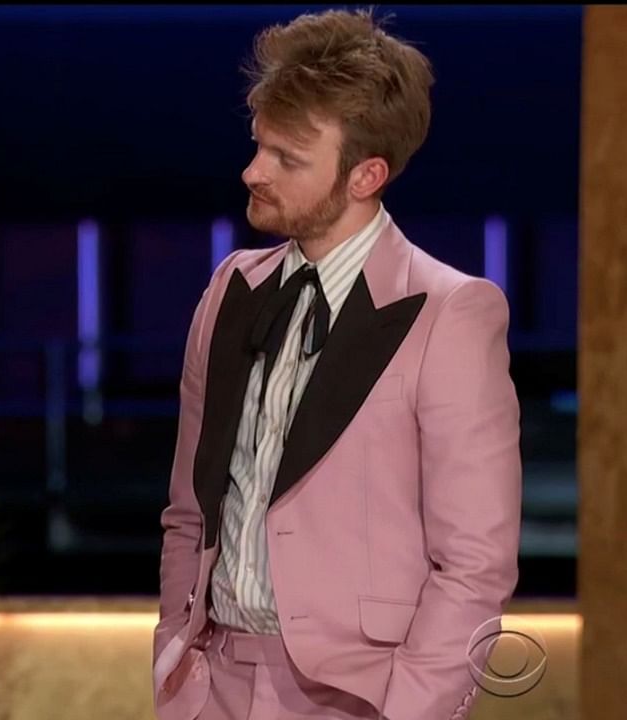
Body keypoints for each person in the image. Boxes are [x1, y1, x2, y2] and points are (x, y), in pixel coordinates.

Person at [153, 9, 521, 720]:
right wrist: (177, 665)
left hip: (357, 697)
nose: (252, 171)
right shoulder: (232, 289)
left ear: (366, 175)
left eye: (288, 159)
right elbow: (189, 511)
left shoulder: (449, 312)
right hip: (215, 685)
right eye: (259, 146)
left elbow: (475, 562)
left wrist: (411, 708)